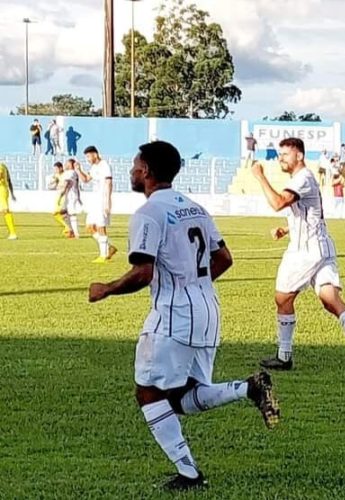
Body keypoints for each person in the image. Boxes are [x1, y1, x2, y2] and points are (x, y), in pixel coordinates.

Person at [87, 141, 279, 491]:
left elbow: (143, 273)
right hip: (208, 311)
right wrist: (193, 285)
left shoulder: (148, 214)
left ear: (146, 171)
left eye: (135, 164)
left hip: (174, 315)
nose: (131, 170)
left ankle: (190, 474)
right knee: (182, 397)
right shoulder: (195, 208)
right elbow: (224, 260)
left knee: (147, 393)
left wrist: (107, 289)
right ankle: (246, 388)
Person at [250, 138, 345, 373]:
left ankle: (284, 356)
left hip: (305, 251)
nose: (281, 159)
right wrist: (285, 229)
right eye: (280, 155)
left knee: (282, 298)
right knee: (330, 299)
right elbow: (309, 213)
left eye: (286, 154)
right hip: (321, 246)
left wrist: (259, 176)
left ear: (299, 156)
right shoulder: (303, 180)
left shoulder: (303, 178)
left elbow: (278, 203)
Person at [77, 146, 118, 263]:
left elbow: (109, 183)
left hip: (102, 199)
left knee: (101, 226)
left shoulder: (104, 166)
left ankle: (103, 255)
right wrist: (78, 170)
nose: (88, 159)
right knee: (90, 227)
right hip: (94, 200)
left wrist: (107, 201)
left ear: (95, 154)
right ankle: (109, 247)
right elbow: (85, 180)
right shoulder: (94, 167)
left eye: (89, 156)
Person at [59, 159, 83, 238]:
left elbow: (67, 183)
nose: (65, 164)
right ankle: (71, 230)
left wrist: (62, 192)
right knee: (63, 213)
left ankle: (76, 233)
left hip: (71, 196)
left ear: (70, 165)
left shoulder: (71, 172)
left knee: (71, 214)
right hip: (69, 195)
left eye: (67, 163)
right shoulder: (69, 173)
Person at [0, 161, 16, 239]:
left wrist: (12, 193)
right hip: (4, 189)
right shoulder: (4, 166)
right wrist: (12, 193)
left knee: (5, 210)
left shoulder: (1, 166)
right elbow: (9, 181)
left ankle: (13, 233)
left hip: (1, 189)